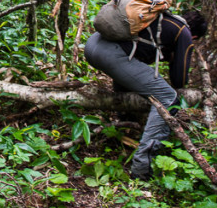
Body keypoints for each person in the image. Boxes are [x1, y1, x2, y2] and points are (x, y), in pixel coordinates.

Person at [84, 9, 207, 179]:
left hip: (92, 44)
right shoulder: (183, 32)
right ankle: (142, 168)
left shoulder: (161, 18)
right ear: (195, 37)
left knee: (133, 76)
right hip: (109, 54)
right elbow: (179, 80)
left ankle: (126, 126)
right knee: (168, 98)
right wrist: (174, 57)